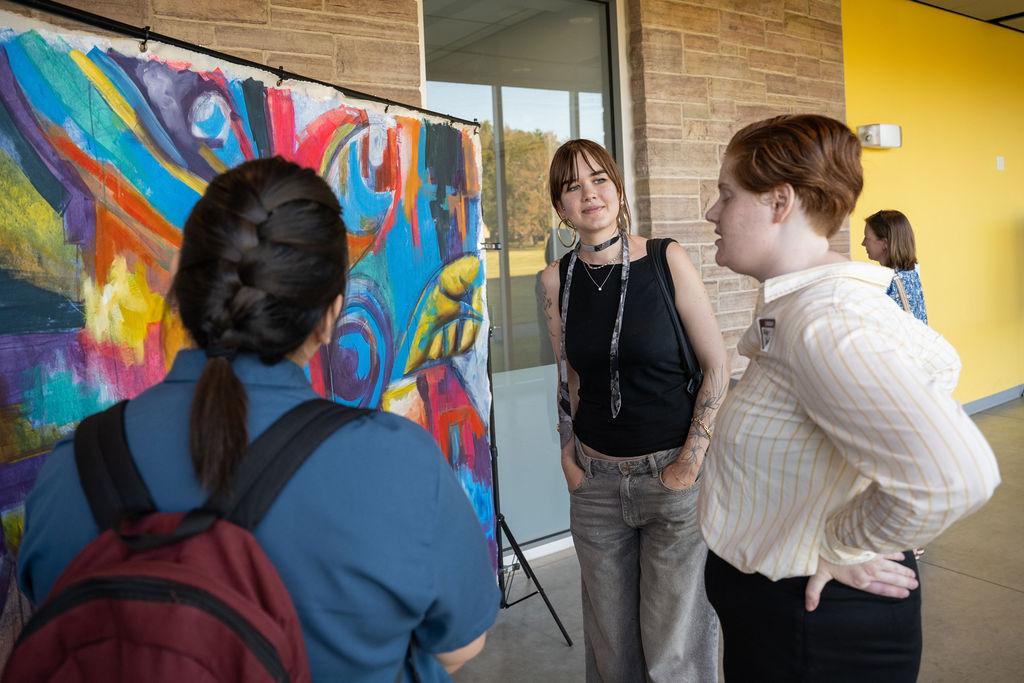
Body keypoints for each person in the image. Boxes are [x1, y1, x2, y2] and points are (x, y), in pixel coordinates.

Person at [17, 157, 499, 682]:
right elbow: (461, 644)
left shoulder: (73, 468)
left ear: (179, 287)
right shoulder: (398, 465)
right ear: (332, 314)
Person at [699, 114, 1000, 681]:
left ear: (780, 201)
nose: (713, 213)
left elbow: (954, 472)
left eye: (726, 194)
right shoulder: (805, 308)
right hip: (785, 623)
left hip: (815, 634)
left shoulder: (826, 320)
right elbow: (933, 366)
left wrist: (846, 545)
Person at [538, 139, 728, 682]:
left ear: (618, 188)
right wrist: (568, 456)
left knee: (676, 648)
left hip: (671, 477)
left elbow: (716, 365)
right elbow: (569, 376)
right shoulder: (556, 280)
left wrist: (689, 463)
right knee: (611, 648)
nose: (588, 193)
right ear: (561, 206)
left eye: (598, 179)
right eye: (572, 186)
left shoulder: (666, 259)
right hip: (595, 483)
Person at [862, 209, 928, 323]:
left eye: (867, 238)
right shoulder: (912, 273)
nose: (863, 243)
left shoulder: (889, 282)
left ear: (885, 243)